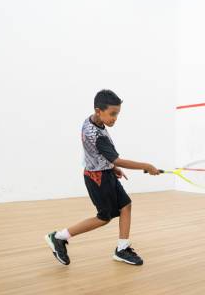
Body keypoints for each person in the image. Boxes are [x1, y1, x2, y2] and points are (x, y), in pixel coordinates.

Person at [45, 89, 160, 266]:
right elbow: (117, 158)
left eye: (117, 114)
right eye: (112, 114)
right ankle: (59, 237)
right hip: (98, 179)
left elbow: (95, 154)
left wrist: (112, 167)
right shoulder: (97, 136)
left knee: (126, 206)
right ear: (98, 110)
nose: (115, 118)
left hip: (104, 172)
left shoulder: (90, 121)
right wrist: (146, 166)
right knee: (103, 218)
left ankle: (122, 248)